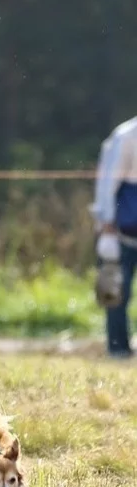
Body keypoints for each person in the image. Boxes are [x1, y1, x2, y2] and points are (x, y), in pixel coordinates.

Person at [92, 116, 137, 358]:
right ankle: (118, 349)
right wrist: (105, 223)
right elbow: (108, 184)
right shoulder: (127, 135)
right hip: (122, 229)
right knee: (116, 290)